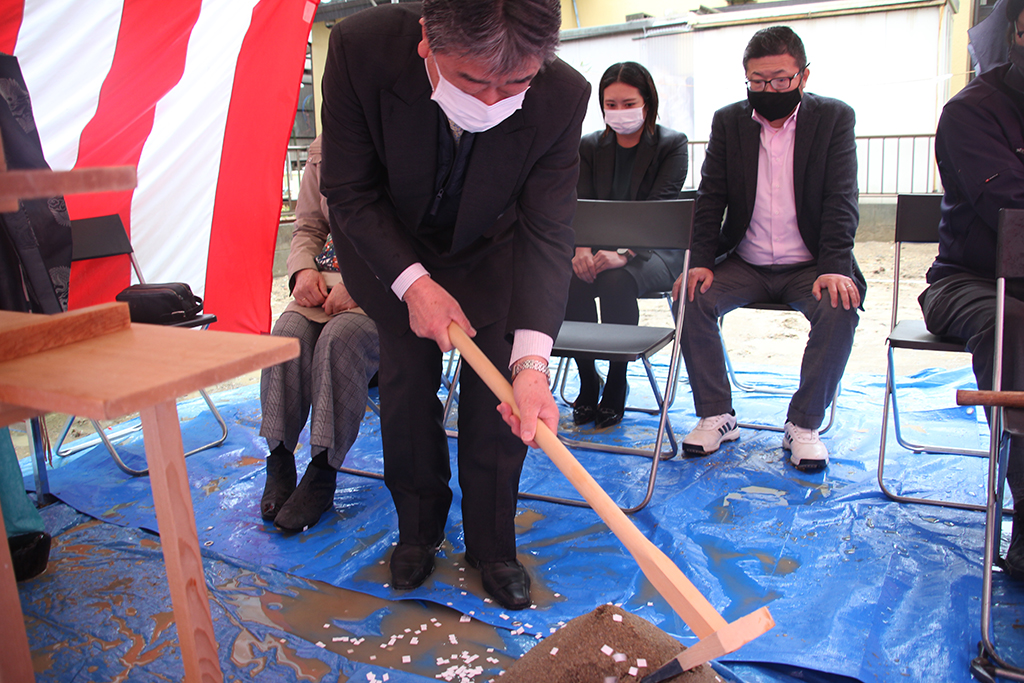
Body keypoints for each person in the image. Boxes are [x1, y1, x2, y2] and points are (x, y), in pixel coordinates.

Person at [319, 0, 590, 610]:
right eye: (472, 80)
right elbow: (350, 190)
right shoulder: (362, 47)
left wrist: (532, 366)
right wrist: (414, 284)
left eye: (515, 82)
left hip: (492, 254)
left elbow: (549, 231)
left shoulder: (563, 94)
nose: (494, 101)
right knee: (407, 386)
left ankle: (493, 546)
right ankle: (418, 529)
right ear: (426, 41)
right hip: (390, 252)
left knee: (500, 400)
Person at [671, 26, 863, 471]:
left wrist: (835, 266)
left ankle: (804, 424)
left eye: (779, 80)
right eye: (757, 81)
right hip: (746, 260)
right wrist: (699, 261)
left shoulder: (834, 118)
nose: (768, 89)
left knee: (840, 305)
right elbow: (710, 197)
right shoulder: (729, 121)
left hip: (810, 264)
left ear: (803, 76)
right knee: (689, 294)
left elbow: (841, 198)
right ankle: (717, 414)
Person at [918, 0, 1024, 576]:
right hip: (971, 279)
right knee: (1014, 326)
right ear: (1013, 32)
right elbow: (1009, 210)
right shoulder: (973, 112)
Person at [259, 135, 381, 533]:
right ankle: (279, 461)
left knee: (340, 337)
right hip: (323, 288)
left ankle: (322, 472)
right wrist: (303, 271)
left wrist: (360, 281)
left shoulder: (408, 138)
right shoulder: (322, 148)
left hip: (382, 294)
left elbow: (417, 237)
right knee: (286, 335)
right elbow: (309, 225)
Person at [566, 61, 688, 429]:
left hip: (653, 251)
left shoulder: (672, 145)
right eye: (611, 104)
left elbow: (660, 206)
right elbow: (577, 201)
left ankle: (617, 381)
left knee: (617, 281)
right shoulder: (589, 146)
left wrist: (624, 253)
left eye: (628, 103)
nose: (619, 112)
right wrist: (581, 249)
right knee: (571, 277)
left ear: (647, 102)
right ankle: (588, 379)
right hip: (595, 248)